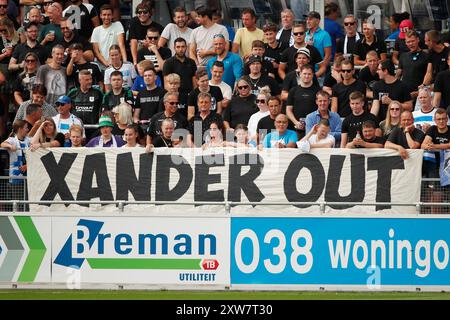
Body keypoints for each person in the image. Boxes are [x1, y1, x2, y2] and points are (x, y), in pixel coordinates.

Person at [286, 64, 321, 138]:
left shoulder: (318, 91)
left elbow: (322, 109)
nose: (307, 76)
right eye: (304, 74)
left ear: (312, 75)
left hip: (314, 128)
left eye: (309, 74)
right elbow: (288, 110)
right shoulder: (293, 90)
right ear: (300, 74)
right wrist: (296, 122)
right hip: (296, 128)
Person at [68, 69, 103, 139]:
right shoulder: (72, 93)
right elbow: (67, 109)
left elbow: (103, 108)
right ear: (80, 80)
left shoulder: (98, 93)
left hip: (94, 129)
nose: (90, 81)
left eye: (91, 79)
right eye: (87, 80)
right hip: (77, 129)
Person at [90, 4, 126, 69]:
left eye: (109, 15)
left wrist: (125, 62)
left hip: (117, 65)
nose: (106, 17)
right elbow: (96, 51)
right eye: (104, 15)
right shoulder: (96, 30)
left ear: (112, 16)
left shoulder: (118, 25)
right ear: (100, 16)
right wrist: (106, 63)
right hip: (102, 66)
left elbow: (121, 44)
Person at [128, 2, 163, 66]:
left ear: (150, 13)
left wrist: (148, 44)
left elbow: (161, 45)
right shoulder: (134, 24)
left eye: (145, 12)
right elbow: (133, 41)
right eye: (139, 12)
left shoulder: (158, 28)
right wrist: (135, 62)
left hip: (154, 58)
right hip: (139, 58)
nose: (142, 14)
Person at [396, 30, 428, 100]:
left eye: (412, 41)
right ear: (405, 43)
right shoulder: (403, 56)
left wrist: (419, 92)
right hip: (405, 94)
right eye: (408, 42)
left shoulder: (426, 56)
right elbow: (398, 74)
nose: (411, 44)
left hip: (421, 94)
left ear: (418, 40)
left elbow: (430, 75)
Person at [421, 108, 450, 178]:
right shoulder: (432, 129)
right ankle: (431, 185)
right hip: (434, 162)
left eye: (443, 119)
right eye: (439, 119)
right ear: (435, 120)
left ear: (447, 120)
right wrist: (429, 146)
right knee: (427, 154)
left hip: (447, 163)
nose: (441, 121)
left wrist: (434, 146)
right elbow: (423, 145)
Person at [1, 120, 30, 184]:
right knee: (18, 194)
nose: (28, 129)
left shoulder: (28, 140)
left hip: (28, 177)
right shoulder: (12, 140)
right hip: (15, 178)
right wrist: (10, 146)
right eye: (26, 128)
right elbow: (2, 144)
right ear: (20, 129)